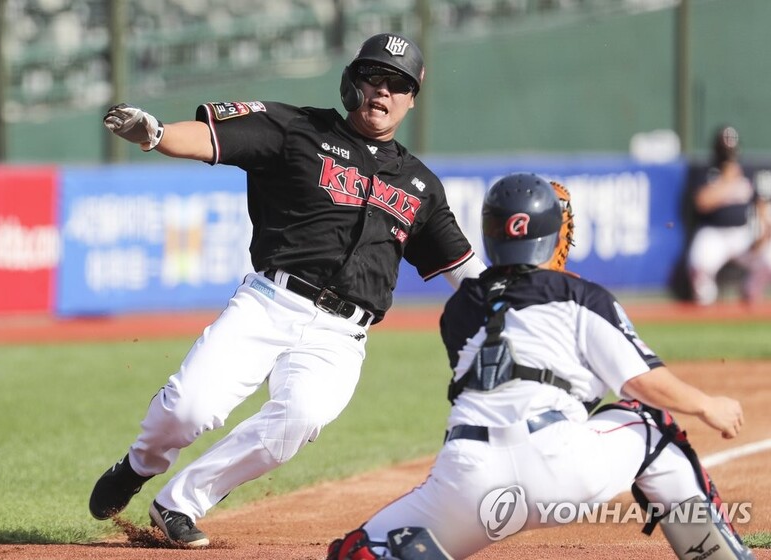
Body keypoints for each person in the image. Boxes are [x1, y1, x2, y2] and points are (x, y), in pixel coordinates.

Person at [89, 32, 487, 547]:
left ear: (412, 96)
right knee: (191, 407)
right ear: (352, 82)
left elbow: (467, 272)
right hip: (269, 303)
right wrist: (156, 133)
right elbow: (213, 140)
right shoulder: (296, 128)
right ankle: (141, 463)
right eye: (373, 77)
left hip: (341, 337)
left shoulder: (420, 185)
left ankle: (179, 503)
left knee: (299, 417)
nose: (383, 92)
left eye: (397, 83)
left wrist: (521, 291)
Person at [327, 173, 755, 560]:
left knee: (360, 549)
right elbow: (640, 381)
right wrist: (706, 405)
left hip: (468, 477)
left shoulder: (458, 309)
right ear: (554, 234)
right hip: (561, 466)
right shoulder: (579, 294)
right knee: (653, 426)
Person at [687, 125, 770, 305]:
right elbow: (702, 202)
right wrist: (727, 179)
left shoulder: (747, 171)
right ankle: (705, 305)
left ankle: (750, 291)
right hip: (713, 233)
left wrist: (764, 232)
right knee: (698, 266)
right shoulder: (706, 170)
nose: (728, 152)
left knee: (769, 258)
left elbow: (760, 204)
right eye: (725, 148)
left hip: (742, 233)